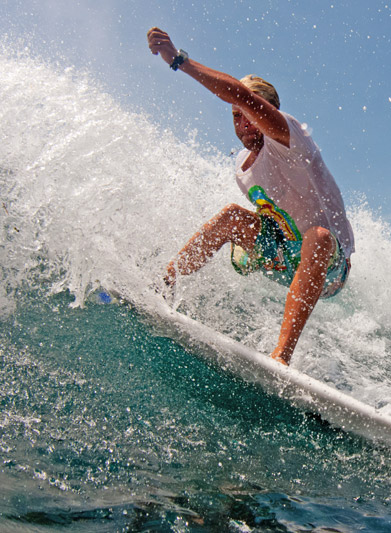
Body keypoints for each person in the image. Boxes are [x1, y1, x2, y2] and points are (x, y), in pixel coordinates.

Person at [146, 27, 354, 366]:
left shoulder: (289, 138)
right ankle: (162, 284)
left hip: (328, 268)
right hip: (283, 256)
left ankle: (281, 358)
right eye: (235, 118)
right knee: (231, 216)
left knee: (318, 236)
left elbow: (241, 96)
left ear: (268, 113)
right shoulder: (242, 168)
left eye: (250, 114)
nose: (243, 123)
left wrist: (179, 60)